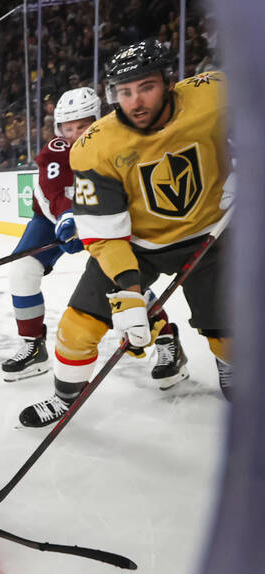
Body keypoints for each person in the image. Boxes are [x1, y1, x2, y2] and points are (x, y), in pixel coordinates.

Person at [20, 40, 232, 425]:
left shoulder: (214, 93)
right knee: (77, 326)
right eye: (124, 91)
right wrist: (129, 292)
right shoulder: (94, 146)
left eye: (146, 87)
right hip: (138, 245)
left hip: (209, 237)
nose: (135, 102)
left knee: (228, 332)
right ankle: (64, 396)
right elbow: (103, 230)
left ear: (168, 82)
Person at [1, 87, 118, 380]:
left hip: (101, 216)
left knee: (122, 276)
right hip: (51, 219)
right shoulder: (56, 149)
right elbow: (50, 191)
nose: (75, 133)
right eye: (68, 127)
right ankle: (33, 346)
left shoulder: (116, 142)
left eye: (83, 125)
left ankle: (166, 336)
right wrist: (66, 220)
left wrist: (92, 222)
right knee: (23, 269)